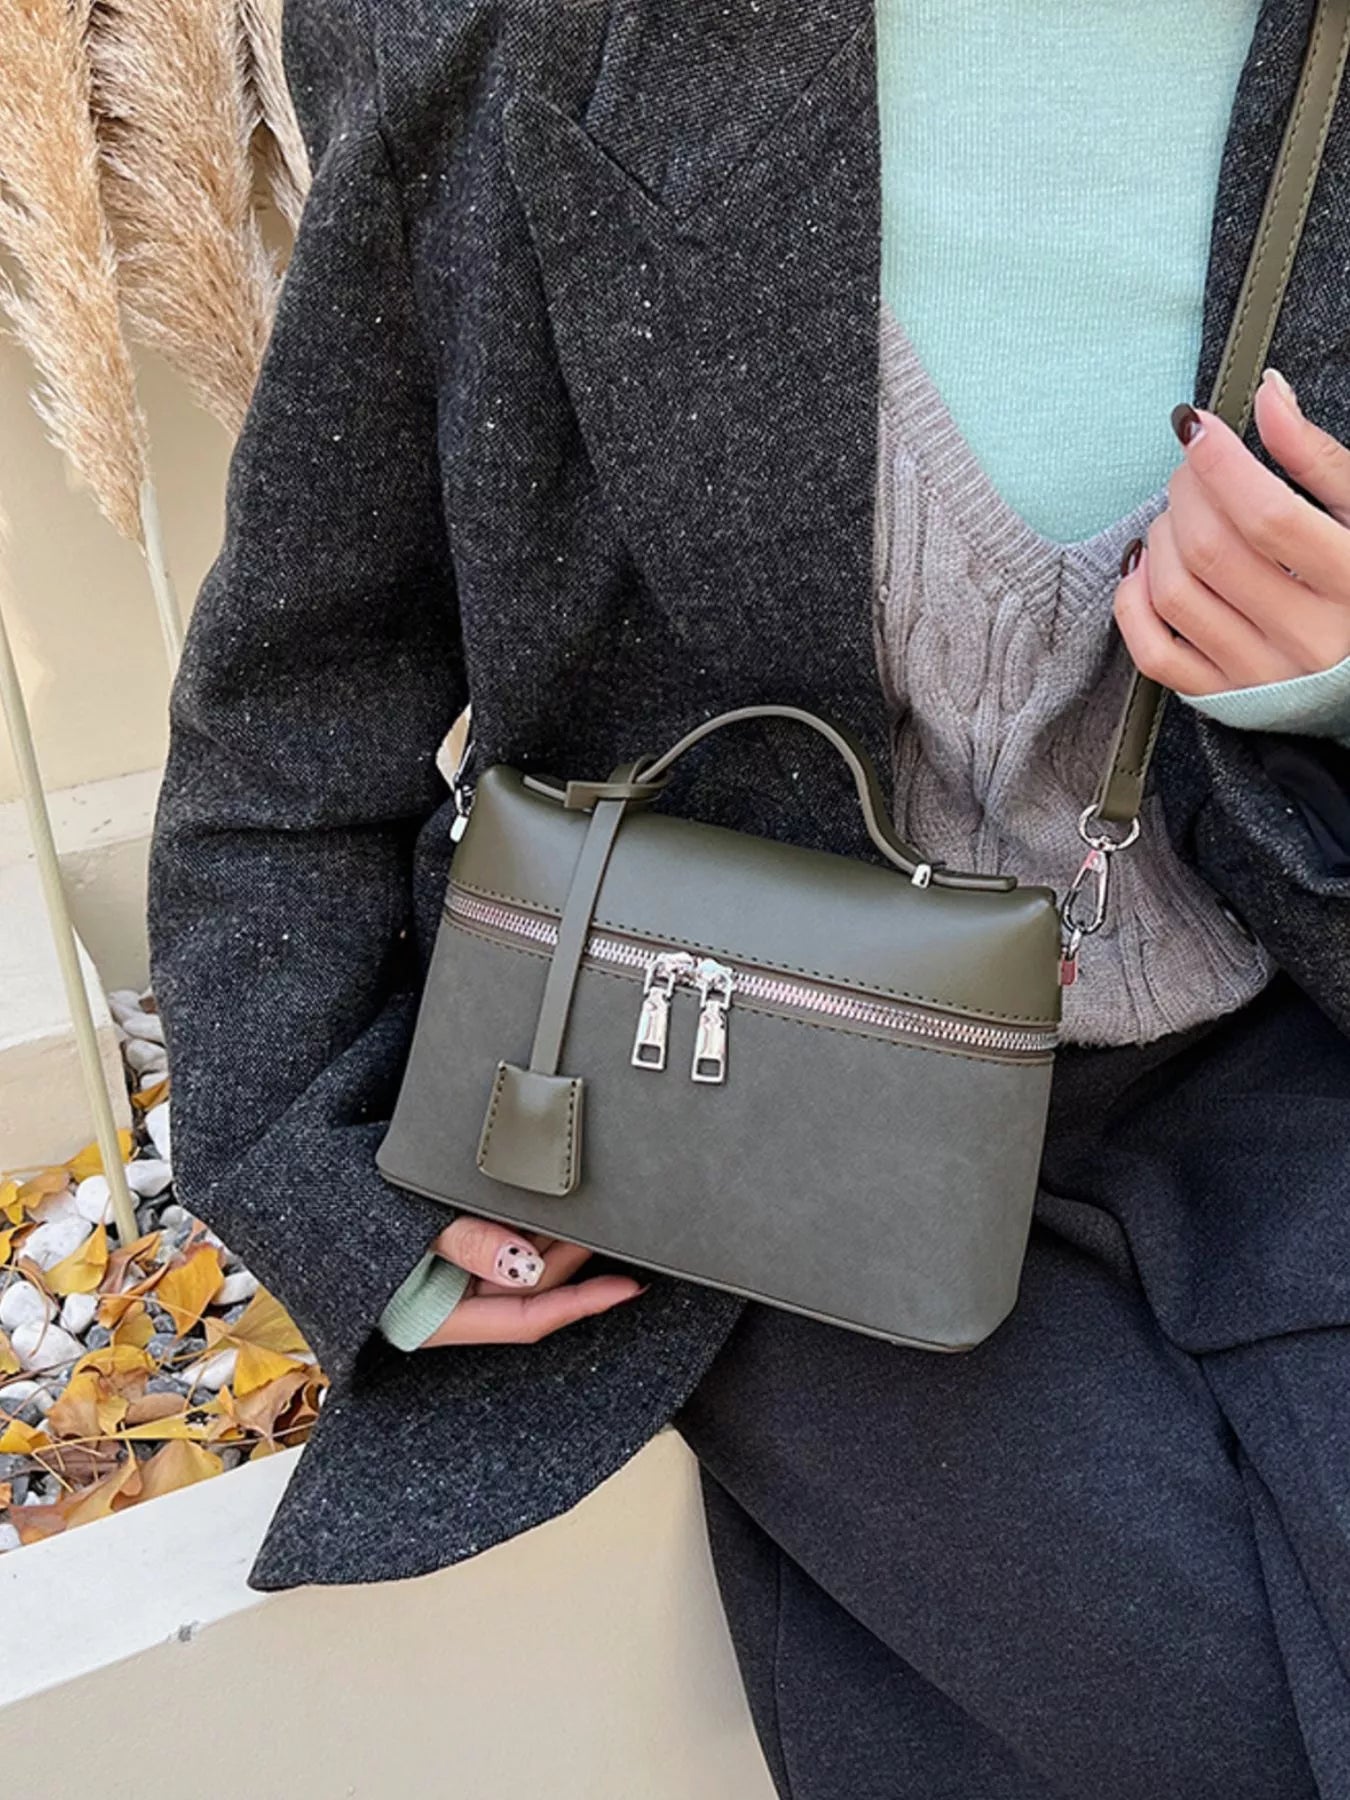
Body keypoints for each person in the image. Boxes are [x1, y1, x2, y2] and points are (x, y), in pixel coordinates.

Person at [148, 1, 1350, 1793]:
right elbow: (299, 700)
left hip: (1275, 1047)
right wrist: (333, 1187)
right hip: (724, 1101)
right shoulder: (511, 40)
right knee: (1196, 1723)